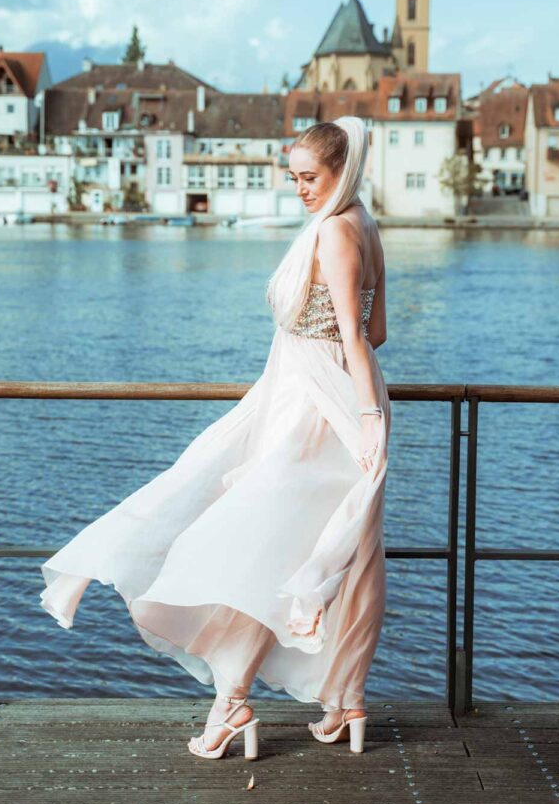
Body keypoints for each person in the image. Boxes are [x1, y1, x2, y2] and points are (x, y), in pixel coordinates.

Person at [39, 115, 390, 759]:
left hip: (312, 408)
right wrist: (361, 403)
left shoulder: (335, 233)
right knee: (326, 550)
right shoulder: (362, 222)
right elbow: (380, 331)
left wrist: (360, 414)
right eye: (293, 178)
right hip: (321, 398)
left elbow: (354, 337)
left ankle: (232, 706)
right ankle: (345, 702)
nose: (300, 190)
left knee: (258, 546)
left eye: (310, 178)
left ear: (342, 171)